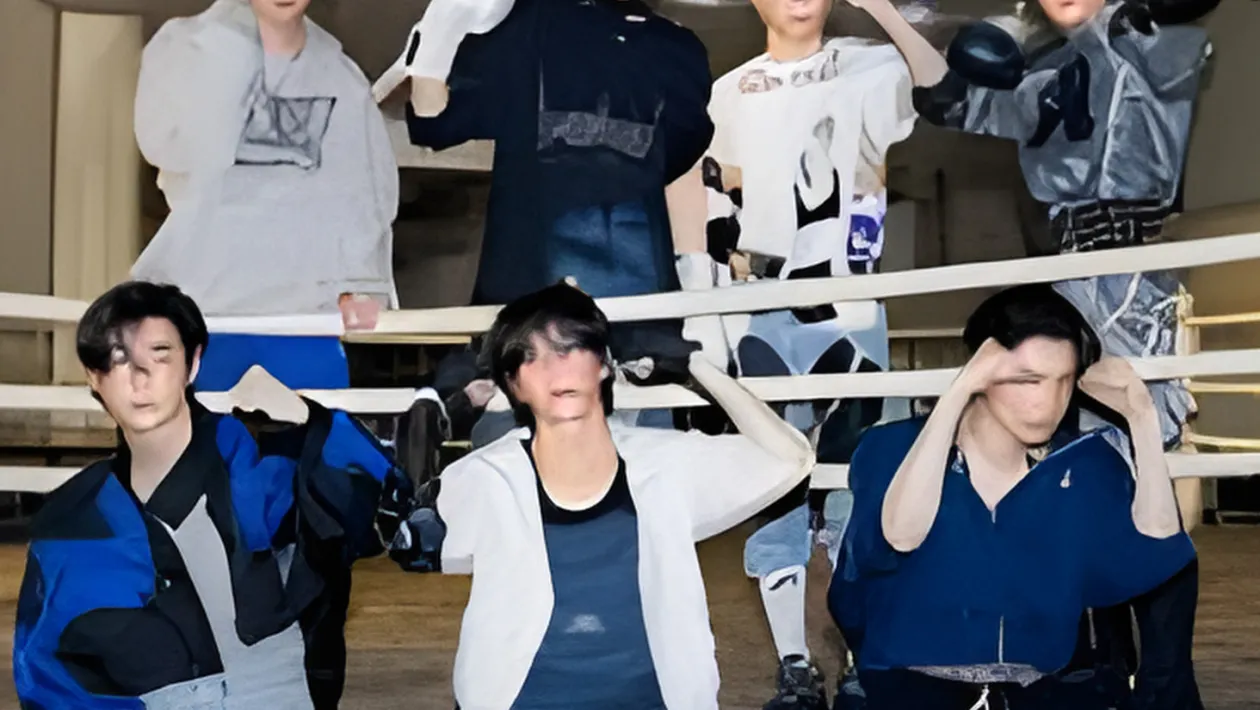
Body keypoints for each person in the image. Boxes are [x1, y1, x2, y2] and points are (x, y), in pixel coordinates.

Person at [907, 2, 1217, 706]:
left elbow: (1176, 35)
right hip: (1069, 275)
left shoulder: (1151, 38)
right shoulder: (1040, 70)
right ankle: (1100, 668)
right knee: (1082, 476)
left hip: (1136, 268)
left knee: (1146, 469)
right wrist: (886, 15)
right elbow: (948, 101)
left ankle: (1167, 682)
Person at [681, 0, 949, 705]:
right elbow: (710, 208)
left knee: (857, 490)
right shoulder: (724, 93)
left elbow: (940, 86)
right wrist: (710, 320)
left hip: (853, 310)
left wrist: (883, 10)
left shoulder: (872, 63)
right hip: (760, 316)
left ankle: (859, 658)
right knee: (775, 491)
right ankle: (794, 664)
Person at [386, 283, 816, 709]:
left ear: (605, 364)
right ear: (513, 385)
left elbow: (792, 459)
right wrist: (443, 409)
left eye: (570, 347)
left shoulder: (668, 464)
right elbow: (414, 541)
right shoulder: (485, 477)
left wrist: (695, 366)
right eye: (531, 357)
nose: (556, 369)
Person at [12, 281, 406, 709]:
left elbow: (386, 508)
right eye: (119, 358)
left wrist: (307, 418)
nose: (140, 378)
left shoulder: (270, 471)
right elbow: (47, 678)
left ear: (193, 363)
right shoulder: (69, 524)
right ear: (94, 376)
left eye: (160, 355)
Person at [828, 284, 1197, 710]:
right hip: (913, 686)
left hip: (1036, 690)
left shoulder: (1080, 467)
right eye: (1027, 380)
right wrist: (958, 392)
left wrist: (1141, 417)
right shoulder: (893, 448)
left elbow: (1158, 551)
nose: (1048, 401)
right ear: (982, 371)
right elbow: (900, 534)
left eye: (1064, 380)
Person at [132, 0, 399, 392]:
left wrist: (363, 284)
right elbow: (165, 147)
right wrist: (228, 59)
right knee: (200, 427)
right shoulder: (187, 48)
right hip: (203, 308)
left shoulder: (341, 78)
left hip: (305, 318)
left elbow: (363, 193)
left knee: (312, 428)